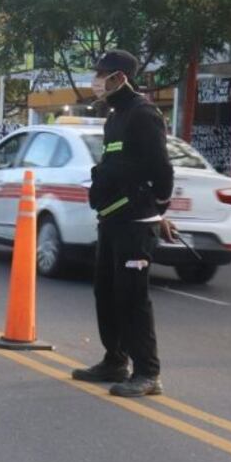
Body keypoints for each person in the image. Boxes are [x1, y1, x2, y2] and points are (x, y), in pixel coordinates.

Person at [73, 49, 175, 398]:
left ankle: (148, 373)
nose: (97, 81)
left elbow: (162, 170)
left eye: (103, 74)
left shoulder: (143, 115)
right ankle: (115, 359)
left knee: (133, 298)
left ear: (121, 77)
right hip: (112, 220)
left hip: (135, 223)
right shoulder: (115, 117)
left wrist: (158, 211)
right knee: (106, 292)